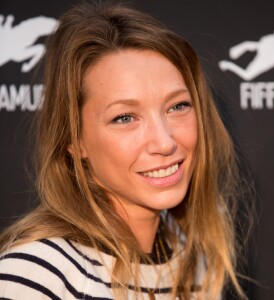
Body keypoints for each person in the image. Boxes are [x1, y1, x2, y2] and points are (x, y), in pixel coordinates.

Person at [0, 1, 249, 299]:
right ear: (74, 139)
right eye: (125, 117)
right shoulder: (35, 276)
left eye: (177, 106)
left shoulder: (193, 259)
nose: (165, 142)